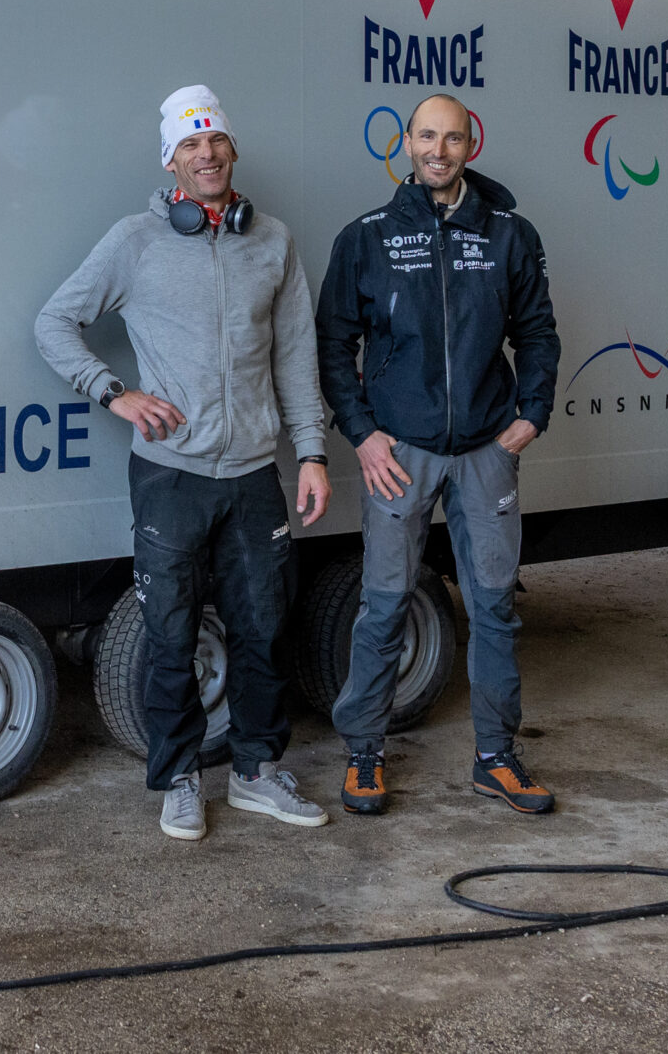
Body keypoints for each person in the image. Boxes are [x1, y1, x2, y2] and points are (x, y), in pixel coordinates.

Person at [36, 84, 333, 841]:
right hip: (170, 475)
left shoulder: (274, 241)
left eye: (216, 142)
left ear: (232, 150)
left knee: (263, 631)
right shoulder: (134, 242)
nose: (206, 155)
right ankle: (176, 780)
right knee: (170, 637)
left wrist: (310, 454)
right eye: (190, 145)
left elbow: (298, 356)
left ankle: (257, 774)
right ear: (171, 160)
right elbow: (54, 322)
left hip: (254, 475)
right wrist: (115, 393)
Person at [315, 93, 561, 817]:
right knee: (384, 605)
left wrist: (532, 416)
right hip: (401, 453)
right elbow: (334, 345)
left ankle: (496, 757)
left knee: (492, 608)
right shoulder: (366, 237)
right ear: (406, 143)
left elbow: (539, 332)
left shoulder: (510, 235)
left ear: (470, 145)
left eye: (453, 138)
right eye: (427, 136)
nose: (440, 150)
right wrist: (361, 432)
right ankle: (364, 754)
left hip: (487, 449)